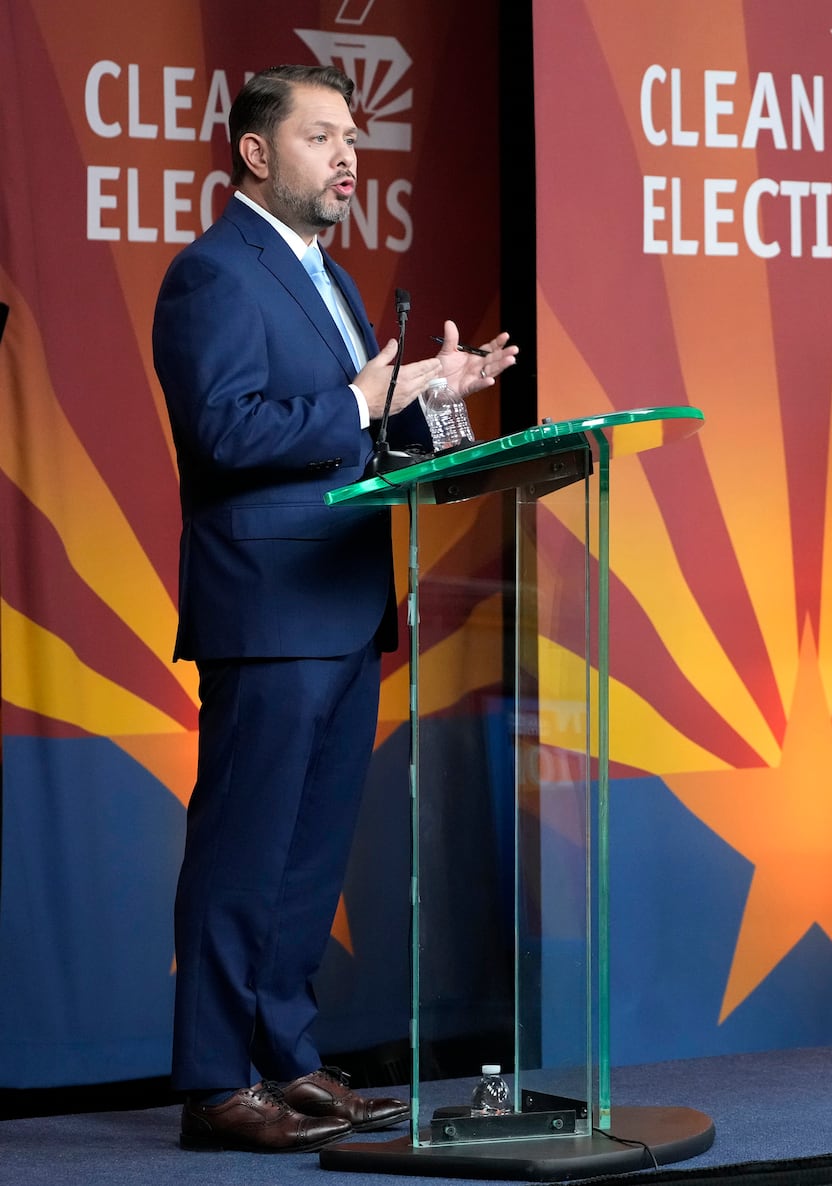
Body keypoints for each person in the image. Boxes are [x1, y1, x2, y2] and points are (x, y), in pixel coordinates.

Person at [152, 64, 517, 1152]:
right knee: (244, 850)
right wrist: (366, 392)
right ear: (257, 154)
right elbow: (226, 435)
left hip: (347, 603)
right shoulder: (213, 274)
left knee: (308, 858)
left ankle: (286, 1058)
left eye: (353, 138)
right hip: (267, 609)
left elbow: (360, 446)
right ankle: (218, 1085)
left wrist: (435, 399)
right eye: (322, 137)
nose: (349, 156)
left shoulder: (337, 281)